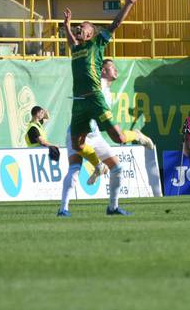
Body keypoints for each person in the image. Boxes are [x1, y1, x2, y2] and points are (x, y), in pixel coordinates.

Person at [63, 0, 153, 215]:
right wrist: (66, 26)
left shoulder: (96, 45)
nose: (79, 29)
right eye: (78, 28)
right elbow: (71, 40)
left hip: (94, 100)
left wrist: (129, 3)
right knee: (77, 145)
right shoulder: (75, 49)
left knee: (120, 138)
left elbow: (114, 26)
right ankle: (98, 166)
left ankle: (137, 136)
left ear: (91, 33)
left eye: (82, 27)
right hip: (78, 103)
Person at [58, 59, 154, 217]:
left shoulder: (107, 91)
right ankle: (63, 209)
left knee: (117, 167)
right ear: (103, 71)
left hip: (95, 136)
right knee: (74, 169)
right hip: (79, 132)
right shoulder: (98, 85)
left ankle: (112, 207)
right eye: (111, 68)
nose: (115, 70)